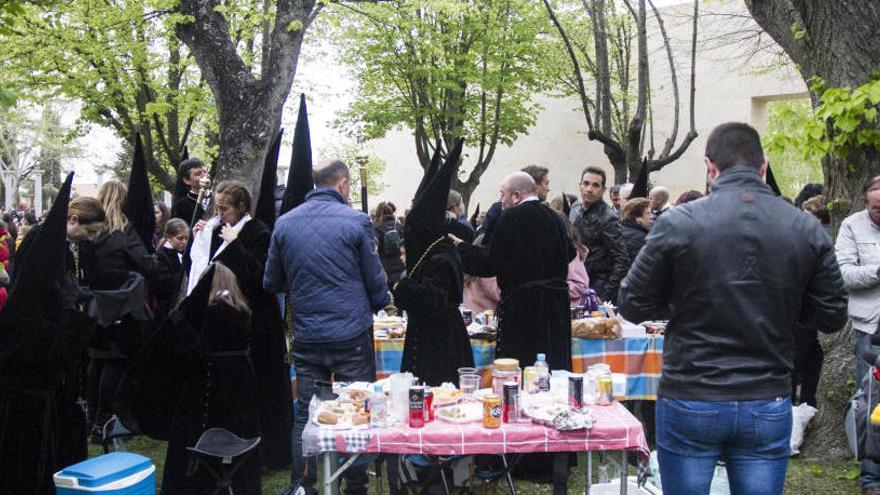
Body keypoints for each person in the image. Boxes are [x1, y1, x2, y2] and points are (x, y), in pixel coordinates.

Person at [618, 122, 847, 495]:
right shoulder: (804, 227)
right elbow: (832, 313)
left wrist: (680, 301)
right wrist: (784, 309)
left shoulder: (678, 222)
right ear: (763, 166)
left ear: (710, 167)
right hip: (764, 394)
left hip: (694, 392)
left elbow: (633, 301)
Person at [264, 159, 388, 495]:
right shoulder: (356, 221)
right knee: (356, 407)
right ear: (344, 183)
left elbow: (271, 279)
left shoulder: (285, 224)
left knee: (306, 412)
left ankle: (302, 483)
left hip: (308, 335)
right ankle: (355, 485)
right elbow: (375, 281)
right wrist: (376, 304)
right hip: (350, 333)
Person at [0, 176, 98, 495]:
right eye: (89, 230)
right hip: (31, 363)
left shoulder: (66, 249)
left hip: (52, 365)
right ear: (72, 219)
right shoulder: (42, 241)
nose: (89, 238)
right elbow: (32, 296)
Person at [187, 180, 292, 470]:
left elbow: (261, 277)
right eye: (217, 208)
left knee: (261, 386)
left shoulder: (258, 232)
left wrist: (236, 243)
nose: (220, 214)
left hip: (258, 324)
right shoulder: (217, 228)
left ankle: (268, 453)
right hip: (229, 323)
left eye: (225, 208)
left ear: (241, 207)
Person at [452, 172, 575, 372]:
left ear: (516, 196)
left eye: (502, 194)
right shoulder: (555, 217)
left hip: (524, 307)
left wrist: (462, 248)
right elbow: (570, 253)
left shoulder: (510, 217)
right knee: (552, 367)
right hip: (556, 307)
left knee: (521, 367)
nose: (501, 200)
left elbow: (490, 263)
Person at [161, 263, 261, 495]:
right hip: (239, 389)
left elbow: (197, 350)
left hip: (209, 388)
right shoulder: (242, 310)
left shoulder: (211, 312)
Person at [393, 142, 475, 386]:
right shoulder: (433, 250)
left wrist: (401, 288)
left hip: (441, 341)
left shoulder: (441, 254)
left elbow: (431, 298)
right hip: (427, 335)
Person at [85, 181, 157, 437]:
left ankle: (92, 417)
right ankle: (103, 419)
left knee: (97, 360)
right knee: (115, 360)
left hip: (95, 302)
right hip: (121, 303)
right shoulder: (123, 231)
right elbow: (145, 263)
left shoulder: (90, 232)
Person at [836, 176, 880, 494]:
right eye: (877, 208)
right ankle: (871, 477)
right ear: (866, 202)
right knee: (872, 406)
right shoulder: (852, 226)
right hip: (871, 331)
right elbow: (844, 274)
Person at [569, 166, 629, 304]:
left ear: (603, 190)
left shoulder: (608, 218)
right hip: (575, 280)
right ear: (580, 185)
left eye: (595, 185)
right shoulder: (574, 208)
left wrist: (605, 295)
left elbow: (622, 259)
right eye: (586, 183)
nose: (589, 189)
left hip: (597, 284)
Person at [152, 218, 189, 321]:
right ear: (168, 237)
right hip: (165, 308)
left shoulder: (182, 254)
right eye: (180, 238)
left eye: (186, 238)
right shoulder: (162, 256)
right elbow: (164, 284)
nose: (184, 242)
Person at [373, 201, 405, 286]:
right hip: (400, 264)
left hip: (385, 268)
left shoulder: (376, 227)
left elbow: (374, 249)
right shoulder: (399, 226)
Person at [171, 158, 208, 223]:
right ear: (187, 180)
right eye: (198, 174)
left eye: (204, 172)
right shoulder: (181, 206)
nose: (204, 176)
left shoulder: (218, 197)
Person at [619, 197, 653, 262]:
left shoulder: (622, 228)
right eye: (648, 213)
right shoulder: (638, 238)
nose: (652, 216)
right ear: (637, 218)